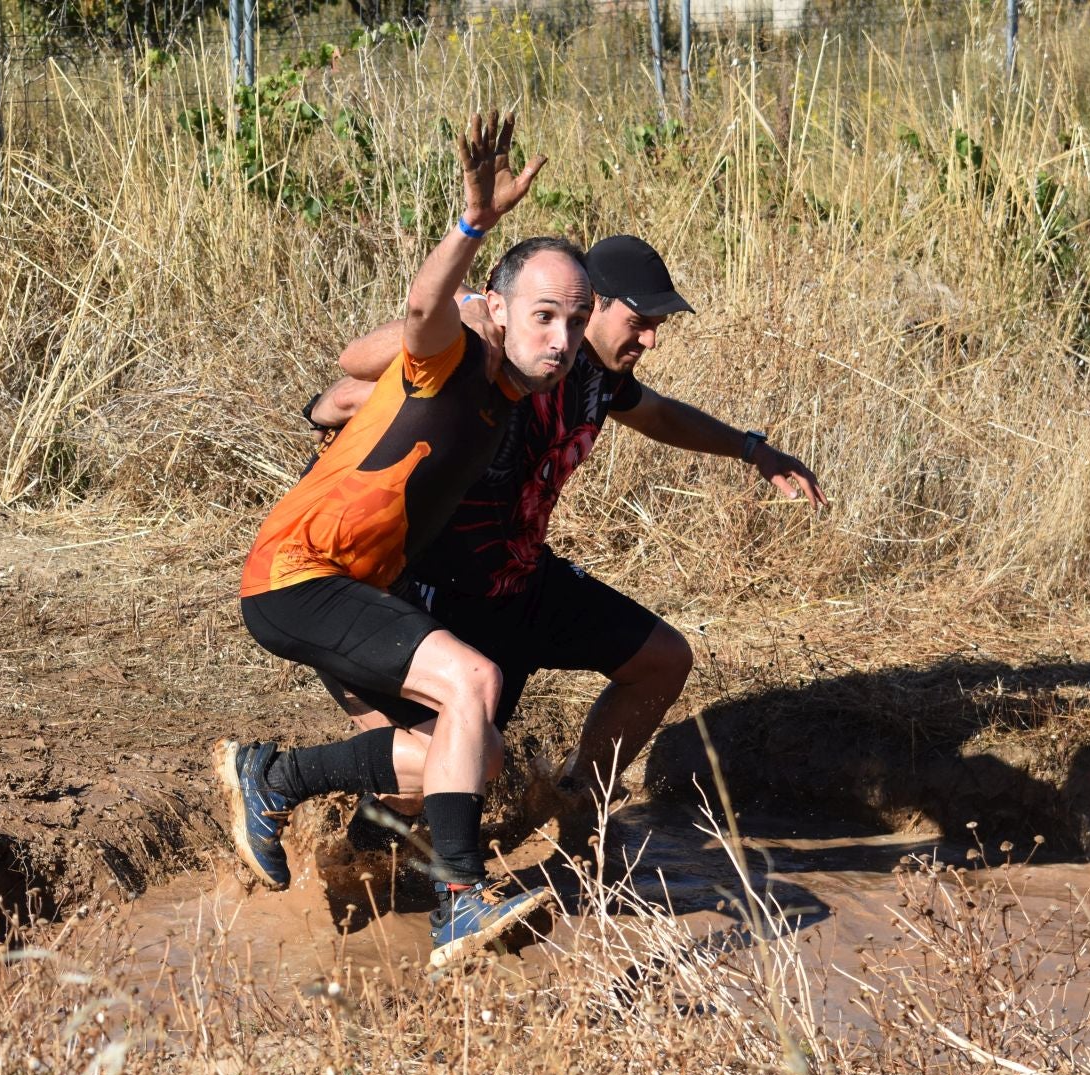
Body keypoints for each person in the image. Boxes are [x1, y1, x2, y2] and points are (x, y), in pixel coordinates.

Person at [212, 111, 593, 971]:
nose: (562, 341)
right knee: (476, 679)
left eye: (576, 321)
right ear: (494, 308)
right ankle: (462, 900)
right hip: (296, 573)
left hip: (356, 589)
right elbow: (421, 309)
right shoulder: (450, 354)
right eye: (543, 317)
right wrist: (473, 223)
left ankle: (278, 778)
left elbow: (360, 393)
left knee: (472, 753)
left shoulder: (511, 390)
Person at [309, 234, 827, 837]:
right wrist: (476, 309)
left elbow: (657, 414)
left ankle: (569, 803)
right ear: (594, 303)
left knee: (663, 660)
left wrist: (751, 449)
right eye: (640, 321)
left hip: (524, 582)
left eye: (658, 325)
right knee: (421, 787)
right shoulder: (505, 353)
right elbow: (351, 379)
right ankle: (314, 822)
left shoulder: (598, 373)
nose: (651, 339)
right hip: (438, 593)